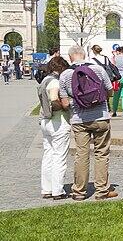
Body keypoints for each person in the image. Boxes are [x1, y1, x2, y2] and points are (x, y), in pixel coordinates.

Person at [59, 45, 116, 200]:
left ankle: (79, 191)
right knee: (101, 153)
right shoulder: (98, 69)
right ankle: (101, 190)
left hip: (79, 120)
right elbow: (110, 91)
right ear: (84, 55)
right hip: (100, 116)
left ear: (70, 57)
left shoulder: (65, 75)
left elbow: (65, 103)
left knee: (81, 154)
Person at [38, 56, 72, 200]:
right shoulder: (55, 81)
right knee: (59, 156)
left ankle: (47, 188)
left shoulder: (45, 80)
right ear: (61, 68)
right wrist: (64, 107)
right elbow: (53, 98)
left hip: (45, 120)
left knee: (48, 155)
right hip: (57, 121)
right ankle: (58, 190)